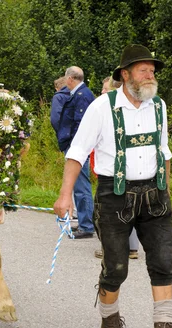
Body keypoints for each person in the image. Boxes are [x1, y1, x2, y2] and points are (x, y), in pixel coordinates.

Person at [53, 44, 172, 328]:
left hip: (155, 197)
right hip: (114, 196)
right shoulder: (102, 107)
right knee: (115, 267)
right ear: (126, 75)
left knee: (163, 265)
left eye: (152, 71)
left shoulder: (159, 106)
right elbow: (76, 153)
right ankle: (110, 323)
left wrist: (165, 190)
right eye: (144, 70)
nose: (150, 75)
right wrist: (64, 196)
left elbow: (164, 151)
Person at [94, 76, 140, 260]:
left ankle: (114, 250)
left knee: (115, 212)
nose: (103, 93)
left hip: (118, 172)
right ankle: (131, 248)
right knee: (130, 208)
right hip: (122, 170)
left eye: (106, 90)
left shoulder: (115, 111)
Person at [53, 66, 96, 239]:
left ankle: (87, 225)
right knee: (79, 185)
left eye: (66, 80)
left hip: (78, 147)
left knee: (81, 186)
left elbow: (80, 124)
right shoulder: (79, 94)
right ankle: (85, 222)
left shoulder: (82, 96)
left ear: (70, 79)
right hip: (75, 145)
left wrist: (74, 146)